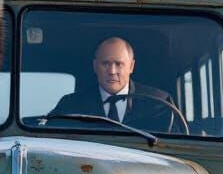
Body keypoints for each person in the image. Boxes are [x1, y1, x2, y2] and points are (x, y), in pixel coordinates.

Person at [48, 36, 178, 132]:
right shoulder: (70, 105)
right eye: (105, 64)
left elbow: (177, 148)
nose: (112, 71)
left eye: (119, 64)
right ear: (95, 66)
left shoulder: (159, 103)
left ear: (131, 66)